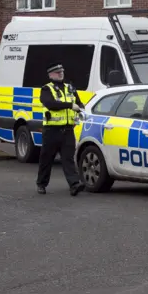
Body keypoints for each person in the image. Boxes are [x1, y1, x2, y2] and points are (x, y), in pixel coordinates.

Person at [36, 64, 86, 196]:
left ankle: (74, 184)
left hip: (68, 129)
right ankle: (41, 184)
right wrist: (70, 105)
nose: (61, 74)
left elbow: (79, 103)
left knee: (68, 158)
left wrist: (80, 107)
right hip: (52, 130)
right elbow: (50, 104)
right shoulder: (47, 89)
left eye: (62, 72)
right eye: (57, 72)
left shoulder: (70, 88)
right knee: (46, 159)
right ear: (51, 75)